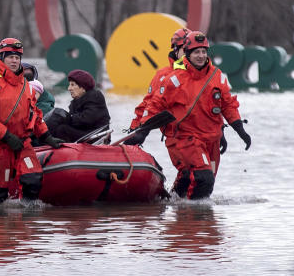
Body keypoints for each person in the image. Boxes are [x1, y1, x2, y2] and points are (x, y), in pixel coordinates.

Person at [125, 31, 251, 199]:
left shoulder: (217, 76)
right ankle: (193, 217)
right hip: (185, 137)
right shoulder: (172, 79)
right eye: (195, 52)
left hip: (211, 138)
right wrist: (140, 130)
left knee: (202, 181)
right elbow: (152, 105)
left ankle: (179, 209)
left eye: (203, 52)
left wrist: (237, 130)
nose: (200, 56)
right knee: (203, 179)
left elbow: (225, 105)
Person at [0, 37, 63, 205]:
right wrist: (6, 136)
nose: (14, 60)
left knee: (33, 179)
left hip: (22, 144)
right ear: (1, 58)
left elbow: (34, 115)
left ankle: (26, 227)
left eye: (17, 57)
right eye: (10, 57)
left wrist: (46, 136)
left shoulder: (26, 86)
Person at [129, 27, 189, 131]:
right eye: (185, 50)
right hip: (178, 136)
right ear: (175, 49)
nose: (189, 53)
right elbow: (149, 103)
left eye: (191, 50)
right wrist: (136, 128)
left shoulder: (206, 73)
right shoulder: (163, 75)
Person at [46, 69, 111, 142]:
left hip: (96, 136)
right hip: (85, 133)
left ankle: (60, 149)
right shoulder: (75, 102)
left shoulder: (95, 97)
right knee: (57, 118)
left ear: (83, 87)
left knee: (62, 128)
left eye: (72, 85)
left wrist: (66, 118)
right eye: (69, 85)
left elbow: (87, 119)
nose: (69, 88)